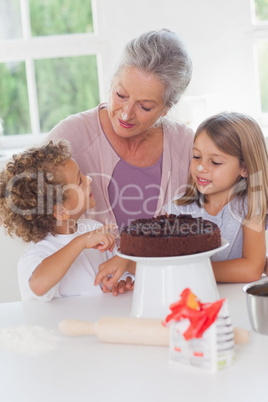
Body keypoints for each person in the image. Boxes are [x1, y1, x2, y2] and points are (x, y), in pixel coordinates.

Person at [46, 28, 194, 287]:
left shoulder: (188, 146)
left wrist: (137, 270)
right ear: (112, 82)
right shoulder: (69, 138)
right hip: (86, 297)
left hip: (168, 292)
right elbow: (38, 223)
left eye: (145, 106)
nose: (126, 114)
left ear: (167, 108)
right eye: (120, 95)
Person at [0, 140, 134, 301]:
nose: (88, 180)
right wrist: (81, 241)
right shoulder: (38, 254)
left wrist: (122, 267)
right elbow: (39, 285)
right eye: (79, 181)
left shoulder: (93, 229)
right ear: (61, 211)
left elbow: (119, 272)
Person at [163, 112, 268, 283]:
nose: (201, 167)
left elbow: (251, 269)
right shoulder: (177, 210)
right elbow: (159, 260)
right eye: (196, 156)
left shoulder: (250, 207)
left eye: (215, 162)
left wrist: (189, 270)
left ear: (245, 168)